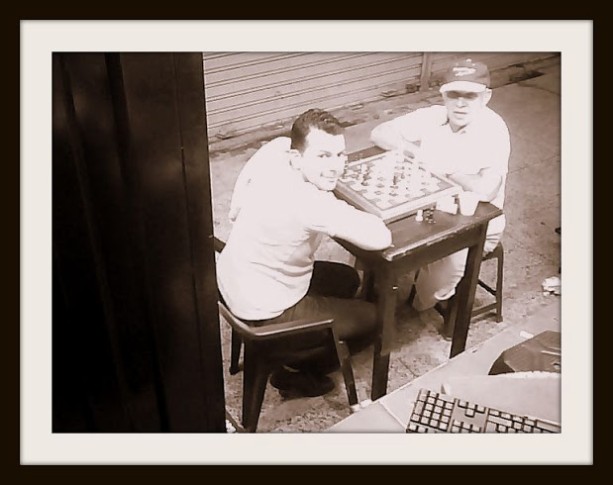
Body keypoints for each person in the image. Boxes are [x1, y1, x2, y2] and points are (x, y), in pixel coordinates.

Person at [217, 108, 392, 398]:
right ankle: (295, 371)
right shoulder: (309, 202)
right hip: (266, 309)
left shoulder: (274, 151)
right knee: (376, 318)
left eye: (339, 154)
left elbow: (235, 210)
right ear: (297, 158)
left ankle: (310, 342)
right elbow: (380, 237)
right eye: (323, 156)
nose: (335, 167)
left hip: (232, 279)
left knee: (347, 278)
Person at [370, 58, 511, 314]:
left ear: (486, 97)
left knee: (447, 268)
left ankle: (415, 309)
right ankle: (376, 295)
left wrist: (447, 169)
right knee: (372, 226)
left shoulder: (494, 130)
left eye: (470, 95)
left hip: (475, 225)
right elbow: (379, 133)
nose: (460, 103)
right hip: (431, 210)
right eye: (454, 94)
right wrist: (416, 152)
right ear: (443, 95)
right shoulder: (434, 115)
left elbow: (486, 189)